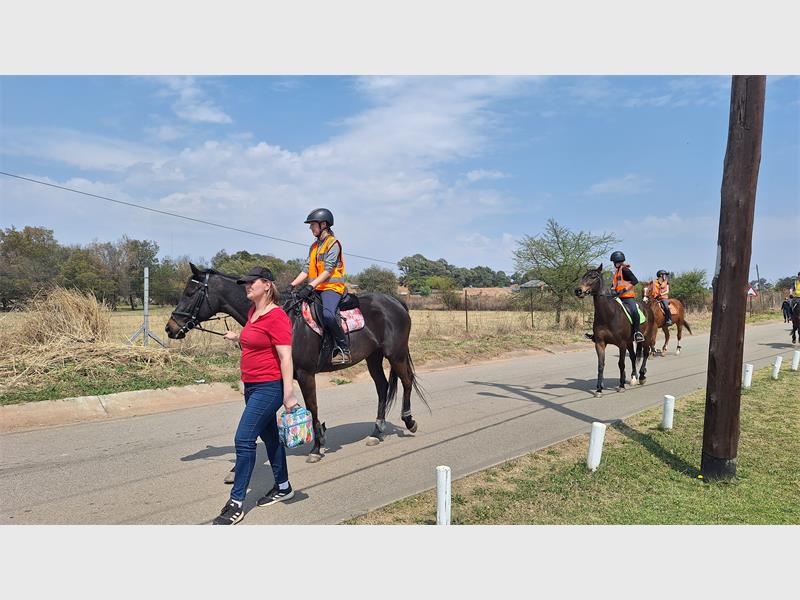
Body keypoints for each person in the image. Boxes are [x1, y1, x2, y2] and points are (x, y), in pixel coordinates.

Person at [212, 266, 300, 525]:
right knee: (271, 438)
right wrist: (237, 336)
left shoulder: (277, 317)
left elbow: (285, 357)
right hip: (251, 386)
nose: (247, 286)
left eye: (252, 282)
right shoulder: (253, 312)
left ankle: (236, 502)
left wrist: (289, 394)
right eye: (245, 282)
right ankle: (283, 486)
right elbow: (256, 339)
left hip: (269, 387)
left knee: (244, 439)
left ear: (267, 285)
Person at [290, 208, 351, 365]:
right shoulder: (314, 247)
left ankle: (344, 348)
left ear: (323, 224)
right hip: (316, 287)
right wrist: (293, 284)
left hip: (332, 288)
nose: (310, 228)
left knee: (329, 315)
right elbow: (306, 268)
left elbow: (328, 269)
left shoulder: (333, 244)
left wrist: (310, 286)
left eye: (313, 225)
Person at [610, 250, 645, 343]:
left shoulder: (625, 270)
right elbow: (614, 284)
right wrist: (612, 291)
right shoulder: (616, 272)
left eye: (614, 262)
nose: (613, 264)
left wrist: (624, 290)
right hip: (618, 297)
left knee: (634, 311)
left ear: (617, 261)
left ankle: (637, 332)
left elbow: (635, 281)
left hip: (627, 297)